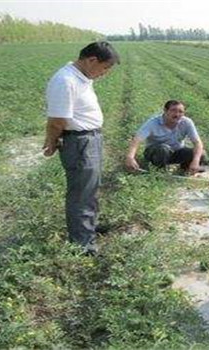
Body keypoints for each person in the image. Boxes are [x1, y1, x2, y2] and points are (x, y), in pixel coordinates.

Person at [42, 41, 120, 255]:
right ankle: (82, 244)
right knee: (81, 193)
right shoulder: (65, 81)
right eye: (105, 68)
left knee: (91, 188)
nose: (104, 73)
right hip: (79, 142)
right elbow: (57, 121)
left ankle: (89, 227)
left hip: (89, 139)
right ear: (92, 60)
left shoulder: (82, 77)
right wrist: (51, 141)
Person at [125, 100, 207, 175]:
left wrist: (195, 161)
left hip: (176, 152)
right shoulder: (153, 123)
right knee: (163, 149)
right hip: (155, 153)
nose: (177, 114)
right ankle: (160, 171)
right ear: (165, 110)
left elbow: (197, 143)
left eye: (180, 112)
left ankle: (186, 170)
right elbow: (136, 140)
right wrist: (130, 157)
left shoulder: (186, 122)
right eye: (173, 110)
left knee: (201, 153)